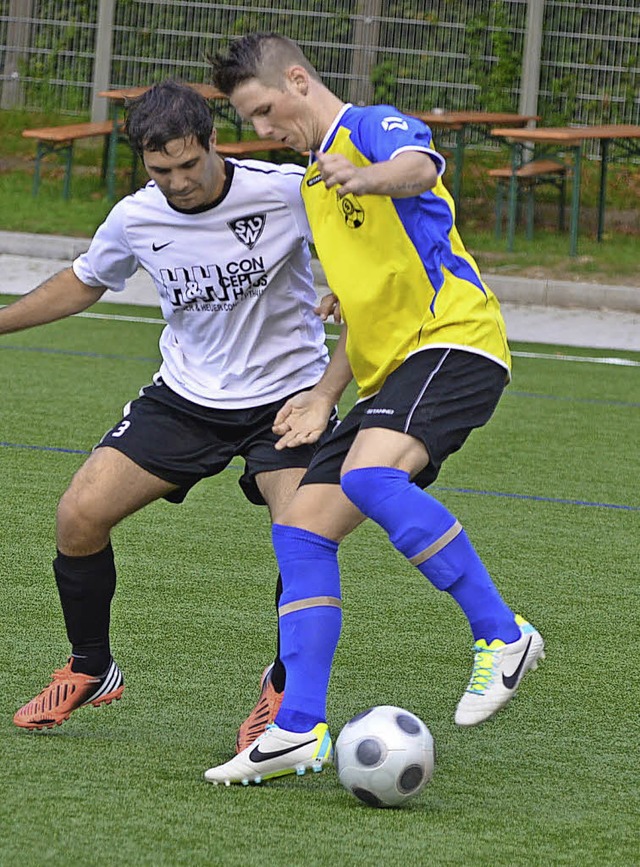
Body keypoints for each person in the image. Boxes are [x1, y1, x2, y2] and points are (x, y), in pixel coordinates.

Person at [204, 33, 545, 785]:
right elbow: (365, 304)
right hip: (388, 373)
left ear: (297, 80)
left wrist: (365, 174)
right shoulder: (313, 187)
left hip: (456, 340)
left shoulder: (369, 128)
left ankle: (503, 634)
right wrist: (324, 396)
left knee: (367, 478)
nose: (262, 131)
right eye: (249, 121)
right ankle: (297, 727)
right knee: (300, 528)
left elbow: (418, 167)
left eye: (265, 111)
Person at [6, 80, 349, 740]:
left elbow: (355, 247)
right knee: (79, 514)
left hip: (287, 400)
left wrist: (341, 279)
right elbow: (83, 282)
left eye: (190, 165)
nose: (180, 181)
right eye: (162, 170)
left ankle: (283, 687)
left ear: (214, 142)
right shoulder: (137, 216)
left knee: (304, 537)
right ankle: (92, 666)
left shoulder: (282, 192)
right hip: (187, 398)